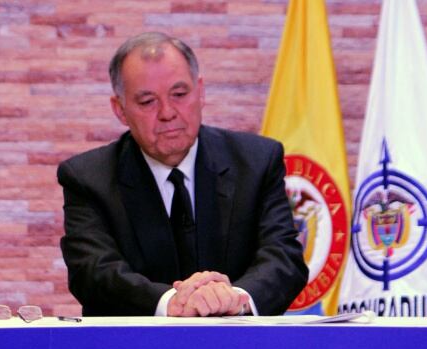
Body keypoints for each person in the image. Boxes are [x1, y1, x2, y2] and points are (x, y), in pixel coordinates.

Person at [57, 32, 307, 317]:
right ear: (120, 109)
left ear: (200, 92)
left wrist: (234, 298)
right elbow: (92, 272)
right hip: (137, 344)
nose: (167, 113)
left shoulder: (257, 162)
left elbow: (284, 258)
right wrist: (170, 302)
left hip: (239, 340)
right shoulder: (88, 178)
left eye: (179, 95)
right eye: (147, 101)